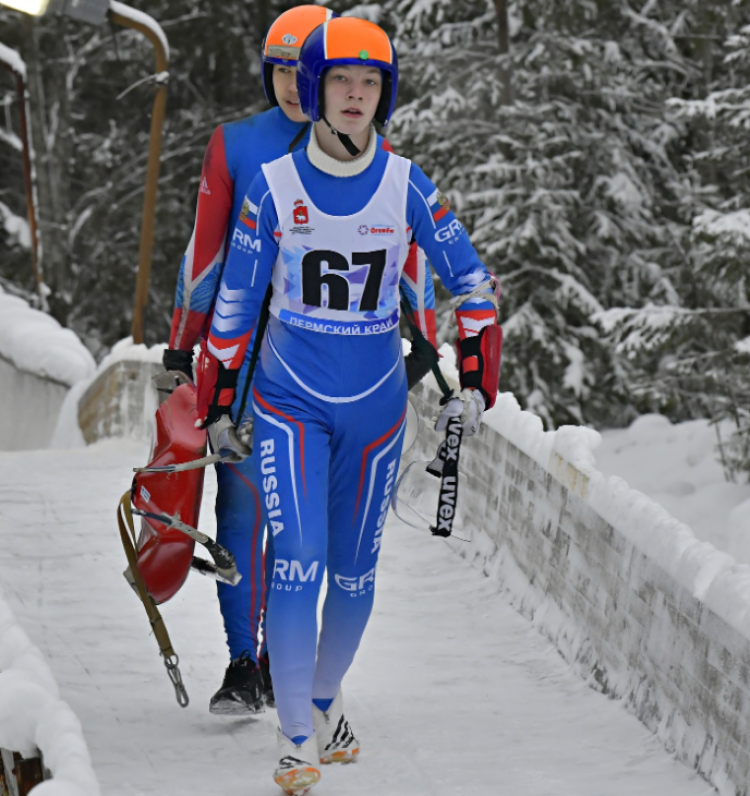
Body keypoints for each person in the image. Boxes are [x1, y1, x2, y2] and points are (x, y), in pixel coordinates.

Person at [200, 16, 502, 795]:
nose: (356, 95)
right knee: (296, 561)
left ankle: (324, 706)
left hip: (375, 410)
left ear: (385, 94)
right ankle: (296, 736)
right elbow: (233, 307)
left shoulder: (408, 185)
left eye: (370, 83)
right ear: (315, 88)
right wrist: (213, 401)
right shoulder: (271, 187)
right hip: (288, 400)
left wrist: (478, 371)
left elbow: (471, 284)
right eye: (341, 81)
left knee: (356, 576)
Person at [162, 6, 439, 716]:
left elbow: (407, 248)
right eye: (279, 69)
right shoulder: (237, 146)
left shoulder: (359, 142)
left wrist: (424, 334)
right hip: (249, 359)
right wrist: (184, 345)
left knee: (312, 532)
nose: (292, 84)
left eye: (301, 68)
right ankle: (244, 660)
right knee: (245, 507)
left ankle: (306, 678)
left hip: (331, 362)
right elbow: (207, 255)